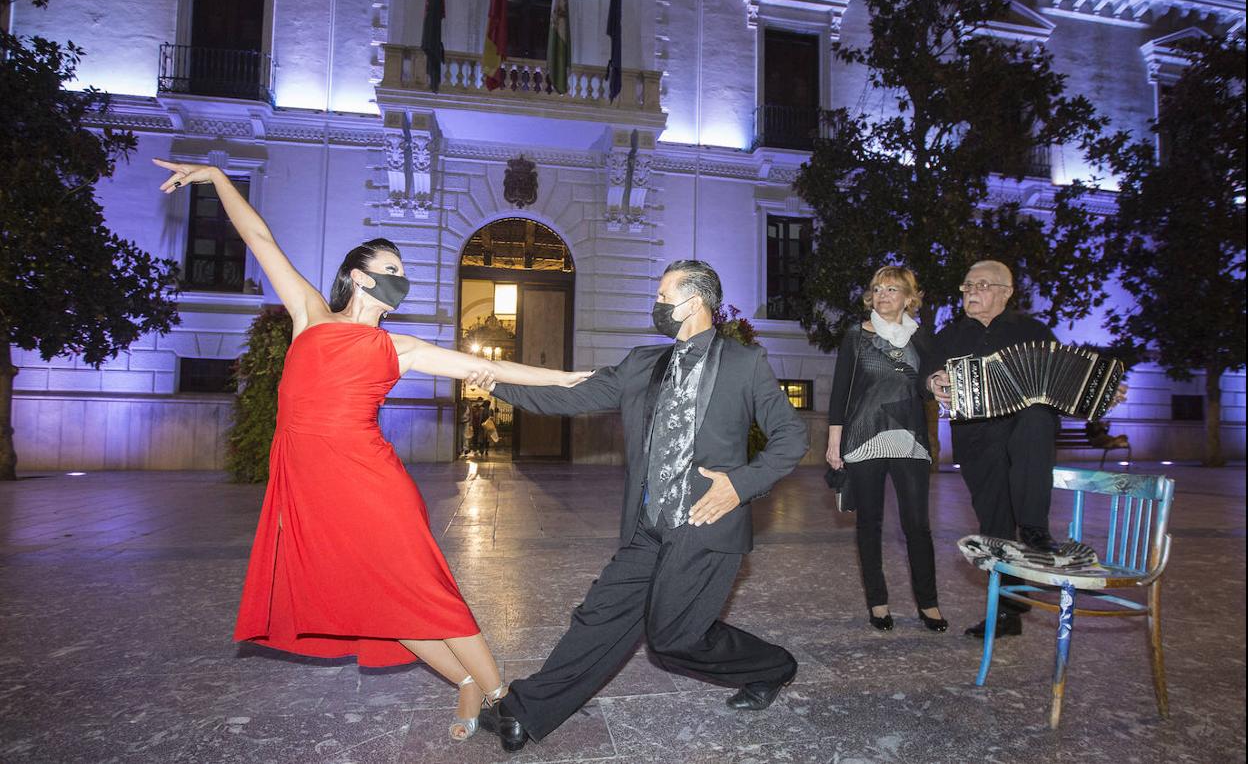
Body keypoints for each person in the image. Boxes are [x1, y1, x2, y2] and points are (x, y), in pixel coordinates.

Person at [153, 159, 590, 742]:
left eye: (402, 273)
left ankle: (500, 698)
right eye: (390, 269)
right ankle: (464, 683)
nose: (399, 280)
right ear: (358, 277)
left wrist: (563, 381)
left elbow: (485, 366)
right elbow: (259, 238)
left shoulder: (400, 347)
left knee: (421, 590)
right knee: (376, 599)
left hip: (371, 485)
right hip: (313, 489)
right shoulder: (310, 317)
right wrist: (217, 176)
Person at [469, 260, 809, 753]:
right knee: (600, 615)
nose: (657, 305)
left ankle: (773, 666)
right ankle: (524, 712)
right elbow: (572, 397)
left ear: (694, 303)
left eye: (664, 295)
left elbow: (790, 436)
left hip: (705, 524)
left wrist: (740, 485)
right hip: (648, 525)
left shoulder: (745, 362)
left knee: (673, 638)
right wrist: (496, 382)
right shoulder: (642, 364)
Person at [923, 260, 1124, 638]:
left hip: (1025, 437)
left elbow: (1066, 384)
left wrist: (1102, 394)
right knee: (996, 529)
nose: (970, 293)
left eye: (980, 285)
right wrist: (934, 381)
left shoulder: (1033, 331)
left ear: (1005, 292)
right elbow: (928, 374)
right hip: (977, 440)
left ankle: (1034, 528)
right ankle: (1007, 615)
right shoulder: (949, 335)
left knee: (1036, 412)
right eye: (966, 286)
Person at [826, 266, 946, 633]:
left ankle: (929, 603)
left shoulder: (922, 338)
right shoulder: (856, 336)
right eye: (877, 289)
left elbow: (928, 387)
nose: (882, 295)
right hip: (863, 438)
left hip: (909, 438)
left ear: (909, 298)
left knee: (917, 526)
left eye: (892, 289)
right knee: (870, 524)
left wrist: (939, 383)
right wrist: (834, 444)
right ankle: (877, 602)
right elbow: (840, 391)